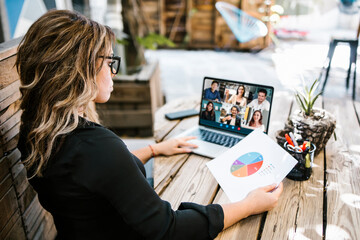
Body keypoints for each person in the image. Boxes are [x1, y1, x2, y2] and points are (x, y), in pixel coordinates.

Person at [16, 10, 283, 240]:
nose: (113, 71)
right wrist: (248, 205)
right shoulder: (98, 147)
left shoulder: (35, 131)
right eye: (109, 61)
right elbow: (168, 229)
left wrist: (154, 150)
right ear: (79, 70)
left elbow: (92, 175)